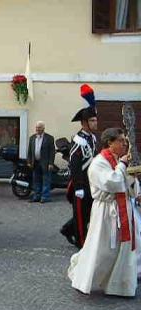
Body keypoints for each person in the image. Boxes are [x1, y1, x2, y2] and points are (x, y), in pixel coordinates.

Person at [68, 128, 139, 297]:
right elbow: (112, 182)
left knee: (124, 248)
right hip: (106, 211)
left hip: (123, 209)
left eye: (124, 140)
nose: (124, 144)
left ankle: (120, 284)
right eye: (120, 140)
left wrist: (133, 179)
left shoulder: (118, 160)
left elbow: (127, 183)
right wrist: (122, 165)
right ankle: (83, 276)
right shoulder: (99, 162)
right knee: (101, 248)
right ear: (110, 142)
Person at [61, 85, 98, 248]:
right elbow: (75, 165)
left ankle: (68, 229)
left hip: (90, 182)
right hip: (80, 184)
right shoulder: (79, 141)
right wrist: (78, 187)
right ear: (84, 123)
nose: (95, 123)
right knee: (81, 215)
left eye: (96, 120)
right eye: (92, 120)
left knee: (89, 212)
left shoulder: (92, 138)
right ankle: (82, 243)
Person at [27, 121, 55, 203]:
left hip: (45, 163)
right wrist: (29, 161)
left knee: (46, 180)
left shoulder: (49, 138)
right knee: (36, 180)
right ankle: (36, 196)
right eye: (36, 127)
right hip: (35, 162)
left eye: (39, 127)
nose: (37, 129)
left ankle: (45, 197)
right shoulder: (32, 138)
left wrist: (51, 163)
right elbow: (29, 151)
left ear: (43, 128)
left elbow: (52, 152)